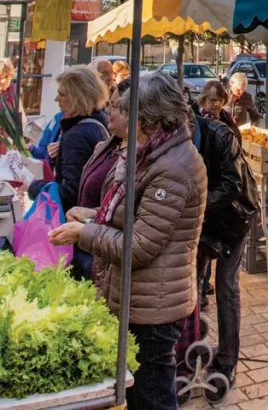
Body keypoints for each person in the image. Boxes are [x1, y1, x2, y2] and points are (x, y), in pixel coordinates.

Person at [51, 73, 208, 410]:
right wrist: (93, 216)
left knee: (151, 396)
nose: (123, 119)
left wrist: (84, 234)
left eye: (131, 113)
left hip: (155, 307)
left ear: (151, 117)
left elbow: (139, 245)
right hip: (142, 298)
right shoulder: (154, 153)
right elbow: (134, 218)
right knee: (140, 392)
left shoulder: (173, 167)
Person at [194, 108, 259, 385]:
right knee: (190, 281)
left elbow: (233, 184)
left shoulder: (221, 135)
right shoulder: (179, 139)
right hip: (203, 219)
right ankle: (191, 344)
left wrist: (195, 204)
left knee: (226, 285)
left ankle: (228, 358)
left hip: (236, 216)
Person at [71, 80, 131, 280]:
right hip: (94, 248)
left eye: (113, 106)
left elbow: (132, 231)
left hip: (104, 254)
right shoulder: (110, 144)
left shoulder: (139, 158)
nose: (108, 110)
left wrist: (86, 227)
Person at [28, 67, 109, 213]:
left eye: (62, 95)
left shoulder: (77, 135)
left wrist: (32, 187)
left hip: (75, 220)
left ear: (78, 97)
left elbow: (68, 195)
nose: (56, 99)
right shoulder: (100, 122)